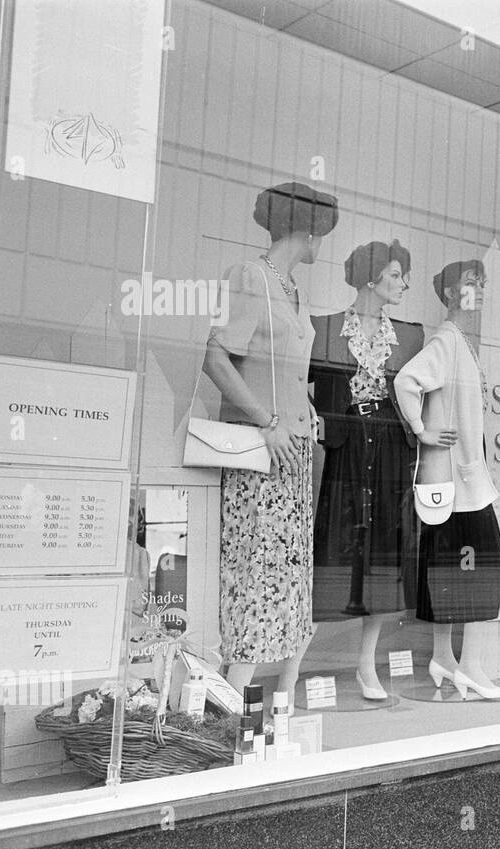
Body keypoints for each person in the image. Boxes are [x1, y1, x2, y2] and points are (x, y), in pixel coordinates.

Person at [205, 182, 338, 696]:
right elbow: (216, 357)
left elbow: (285, 369)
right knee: (255, 570)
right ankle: (230, 696)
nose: (320, 242)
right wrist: (266, 419)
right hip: (261, 452)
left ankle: (265, 697)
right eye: (319, 232)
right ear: (306, 230)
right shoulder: (250, 277)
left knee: (285, 575)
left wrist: (304, 411)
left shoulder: (291, 289)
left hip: (294, 452)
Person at [311, 239, 425, 700]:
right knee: (337, 545)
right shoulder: (326, 328)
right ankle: (302, 663)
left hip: (393, 446)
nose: (404, 283)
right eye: (397, 275)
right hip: (348, 445)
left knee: (383, 552)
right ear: (371, 278)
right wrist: (314, 418)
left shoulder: (412, 337)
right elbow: (300, 380)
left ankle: (365, 665)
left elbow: (425, 392)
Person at [394, 260, 500, 701]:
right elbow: (407, 381)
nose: (478, 289)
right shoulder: (447, 340)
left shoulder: (459, 340)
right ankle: (472, 667)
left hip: (458, 480)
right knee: (487, 565)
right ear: (448, 293)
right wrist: (420, 430)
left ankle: (444, 657)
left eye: (481, 282)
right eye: (468, 282)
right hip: (460, 483)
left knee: (450, 569)